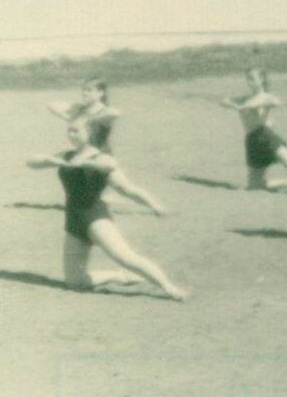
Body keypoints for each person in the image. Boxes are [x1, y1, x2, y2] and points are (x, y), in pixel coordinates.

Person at [27, 119, 187, 301]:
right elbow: (31, 162)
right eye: (69, 131)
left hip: (95, 218)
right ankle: (122, 277)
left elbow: (123, 183)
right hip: (73, 222)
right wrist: (51, 160)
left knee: (125, 257)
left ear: (89, 133)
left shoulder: (100, 157)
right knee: (75, 283)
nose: (71, 135)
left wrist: (154, 205)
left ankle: (169, 287)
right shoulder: (66, 156)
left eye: (76, 131)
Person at [220, 68, 287, 194]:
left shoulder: (265, 97)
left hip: (265, 136)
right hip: (251, 141)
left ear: (262, 80)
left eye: (252, 78)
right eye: (248, 78)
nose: (249, 81)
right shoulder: (245, 98)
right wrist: (235, 106)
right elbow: (223, 101)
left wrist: (257, 105)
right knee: (255, 185)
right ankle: (285, 182)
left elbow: (277, 102)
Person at [47, 79, 120, 152]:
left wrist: (88, 120)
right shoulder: (81, 109)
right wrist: (70, 119)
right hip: (82, 151)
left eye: (89, 90)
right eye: (84, 90)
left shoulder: (104, 110)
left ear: (100, 93)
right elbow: (51, 105)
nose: (84, 93)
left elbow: (116, 113)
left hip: (98, 152)